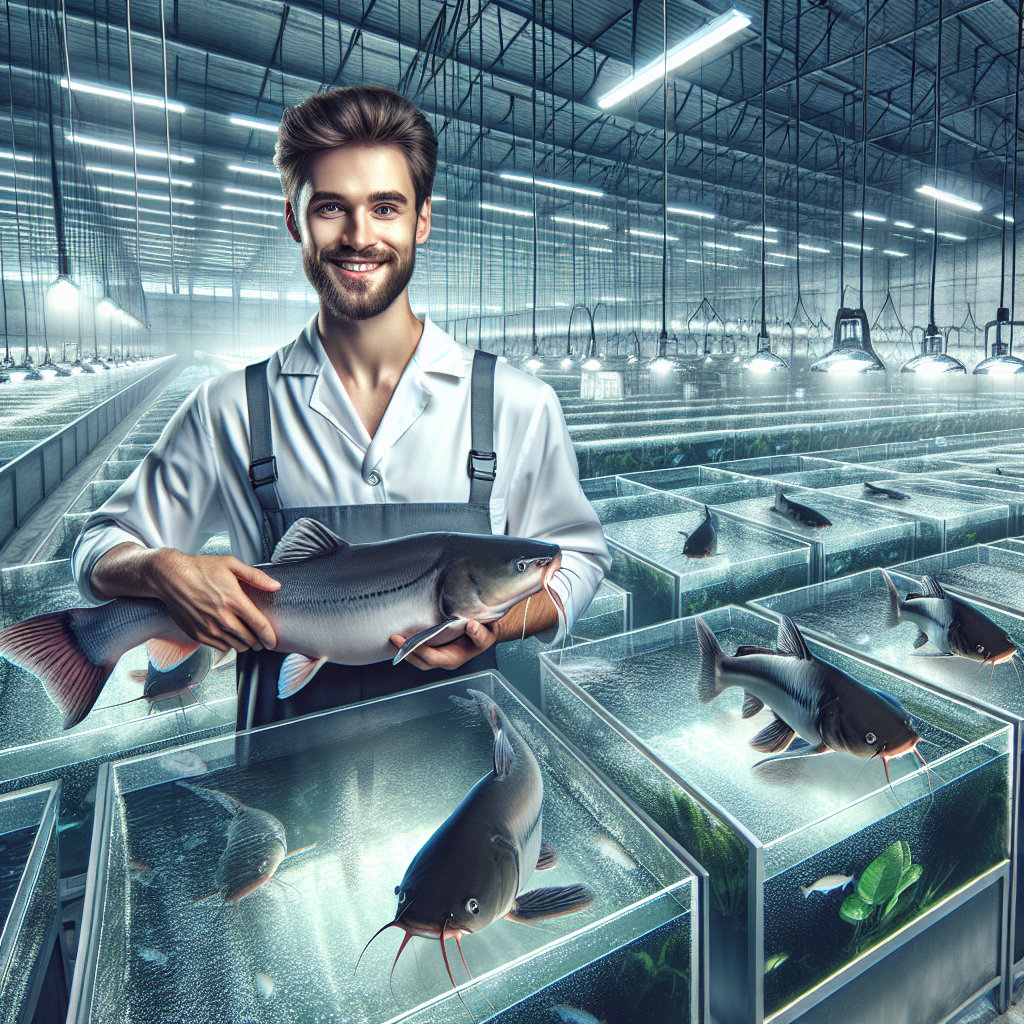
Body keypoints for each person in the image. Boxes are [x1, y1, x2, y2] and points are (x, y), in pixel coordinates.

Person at [71, 85, 611, 729]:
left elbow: (577, 557)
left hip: (470, 773)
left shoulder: (519, 403)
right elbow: (100, 546)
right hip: (284, 782)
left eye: (386, 207)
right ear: (295, 219)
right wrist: (162, 570)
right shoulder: (229, 408)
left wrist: (501, 624)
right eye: (332, 207)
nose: (360, 236)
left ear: (423, 219)